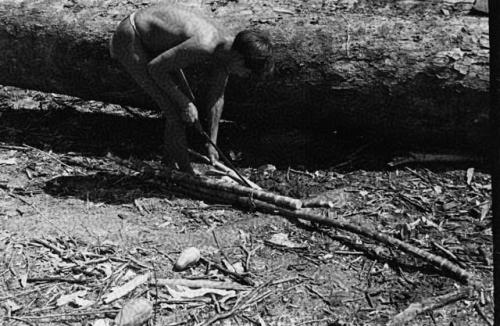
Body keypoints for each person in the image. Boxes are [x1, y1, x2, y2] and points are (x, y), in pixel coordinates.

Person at [109, 3, 274, 174]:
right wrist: (185, 103)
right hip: (131, 36)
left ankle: (169, 164)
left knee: (185, 105)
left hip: (154, 44)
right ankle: (187, 173)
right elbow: (155, 69)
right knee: (176, 111)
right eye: (245, 73)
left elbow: (217, 97)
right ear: (239, 59)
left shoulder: (228, 53)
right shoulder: (205, 44)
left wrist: (212, 143)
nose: (242, 76)